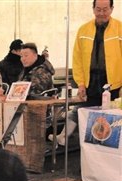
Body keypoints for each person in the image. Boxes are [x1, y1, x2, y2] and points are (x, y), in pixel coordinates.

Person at [50, 0, 122, 145]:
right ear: (93, 9)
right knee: (80, 110)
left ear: (112, 9)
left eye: (105, 9)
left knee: (113, 119)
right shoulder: (83, 30)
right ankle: (67, 138)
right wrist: (81, 83)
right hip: (91, 82)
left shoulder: (120, 29)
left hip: (114, 84)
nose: (101, 13)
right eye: (98, 9)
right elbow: (77, 59)